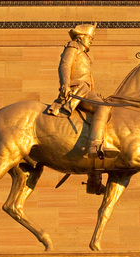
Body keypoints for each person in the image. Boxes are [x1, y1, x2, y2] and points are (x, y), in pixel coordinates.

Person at [46, 23, 119, 160]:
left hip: (85, 90)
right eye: (89, 38)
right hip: (78, 89)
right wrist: (65, 84)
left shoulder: (84, 54)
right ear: (80, 37)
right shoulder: (73, 47)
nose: (90, 41)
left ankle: (94, 177)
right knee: (103, 107)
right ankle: (95, 144)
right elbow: (65, 65)